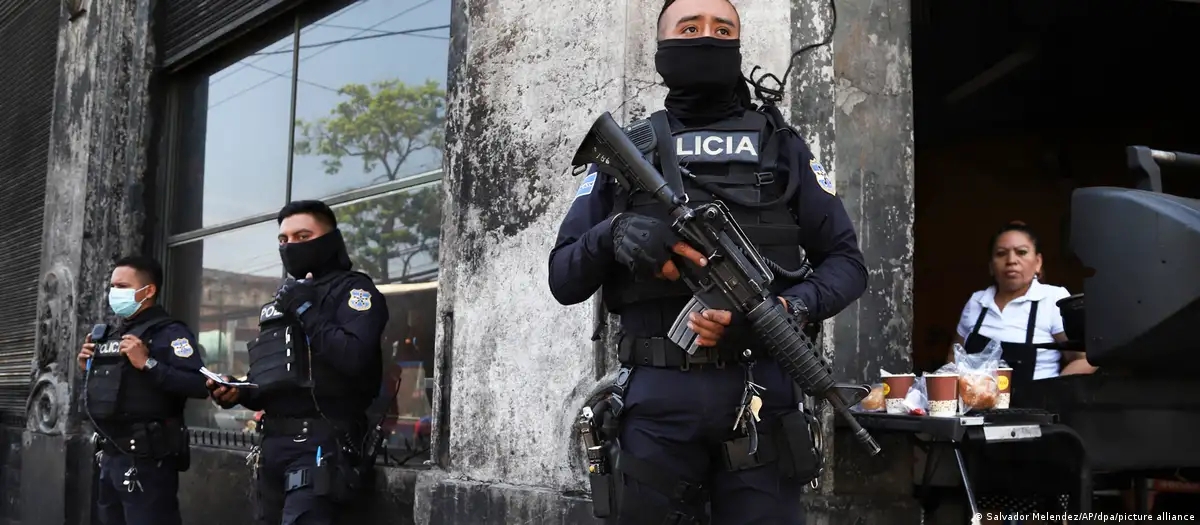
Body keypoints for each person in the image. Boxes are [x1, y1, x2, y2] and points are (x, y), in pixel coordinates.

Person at [548, 0, 868, 522]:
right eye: (690, 27)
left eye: (723, 29)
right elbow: (563, 277)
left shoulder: (781, 147)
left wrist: (789, 308)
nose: (707, 38)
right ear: (662, 46)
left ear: (738, 48)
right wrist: (614, 233)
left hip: (761, 394)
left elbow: (847, 264)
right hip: (657, 400)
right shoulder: (629, 151)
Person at [207, 200, 389, 525]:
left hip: (322, 443)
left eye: (302, 236)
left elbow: (354, 357)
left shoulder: (355, 291)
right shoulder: (284, 300)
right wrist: (238, 391)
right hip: (274, 446)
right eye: (283, 239)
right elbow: (273, 379)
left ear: (330, 239)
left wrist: (306, 310)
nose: (290, 246)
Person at [76, 255, 209, 525]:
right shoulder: (112, 334)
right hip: (110, 456)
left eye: (122, 286)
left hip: (149, 459)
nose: (114, 293)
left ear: (148, 291)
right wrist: (87, 368)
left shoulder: (171, 333)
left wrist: (147, 363)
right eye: (113, 286)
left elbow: (198, 384)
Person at [949, 221, 1096, 390]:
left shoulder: (1052, 299)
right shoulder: (977, 302)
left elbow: (1084, 359)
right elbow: (955, 354)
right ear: (991, 266)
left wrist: (1052, 393)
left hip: (1033, 412)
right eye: (1001, 253)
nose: (1011, 260)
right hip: (976, 409)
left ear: (1038, 262)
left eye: (1022, 252)